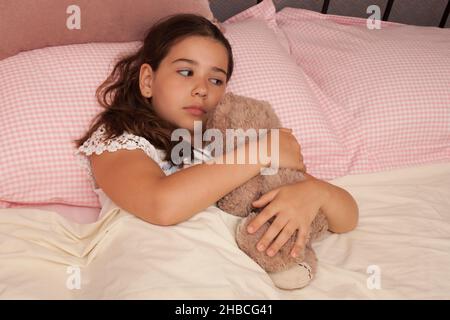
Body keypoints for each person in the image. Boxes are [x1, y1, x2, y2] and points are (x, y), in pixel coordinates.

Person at [74, 13, 358, 289]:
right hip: (159, 273)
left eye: (216, 80)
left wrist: (314, 193)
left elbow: (348, 217)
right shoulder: (120, 141)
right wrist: (263, 152)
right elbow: (161, 205)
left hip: (232, 277)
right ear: (148, 80)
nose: (201, 89)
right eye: (186, 72)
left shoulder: (230, 141)